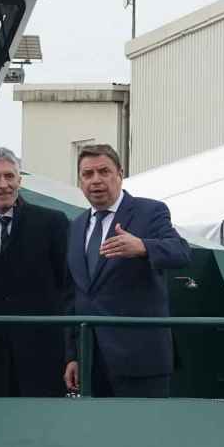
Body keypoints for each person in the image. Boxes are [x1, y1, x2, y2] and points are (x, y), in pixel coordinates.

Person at [63, 144, 191, 398]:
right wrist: (73, 356)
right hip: (91, 361)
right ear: (79, 182)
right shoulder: (76, 226)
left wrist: (143, 246)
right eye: (88, 174)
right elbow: (75, 296)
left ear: (120, 173)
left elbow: (182, 252)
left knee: (144, 435)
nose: (96, 180)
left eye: (104, 171)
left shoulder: (150, 211)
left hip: (141, 360)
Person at [0, 147, 69, 397]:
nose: (3, 185)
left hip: (44, 352)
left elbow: (67, 285)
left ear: (19, 181)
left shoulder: (53, 223)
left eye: (9, 176)